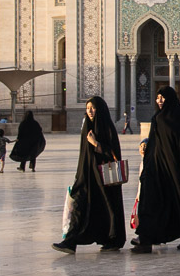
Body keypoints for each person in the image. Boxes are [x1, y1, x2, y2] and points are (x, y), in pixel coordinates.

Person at [52, 96, 126, 254]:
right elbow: (83, 155)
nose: (90, 111)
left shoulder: (106, 128)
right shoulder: (87, 127)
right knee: (79, 206)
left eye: (93, 108)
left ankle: (112, 239)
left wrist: (96, 144)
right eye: (88, 108)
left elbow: (113, 154)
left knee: (107, 208)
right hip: (87, 177)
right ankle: (70, 242)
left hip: (103, 179)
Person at [132, 86, 180, 253]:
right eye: (157, 97)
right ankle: (147, 237)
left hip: (175, 170)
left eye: (163, 97)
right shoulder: (158, 117)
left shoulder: (178, 118)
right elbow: (156, 141)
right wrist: (145, 144)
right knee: (152, 200)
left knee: (179, 200)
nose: (159, 100)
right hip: (157, 167)